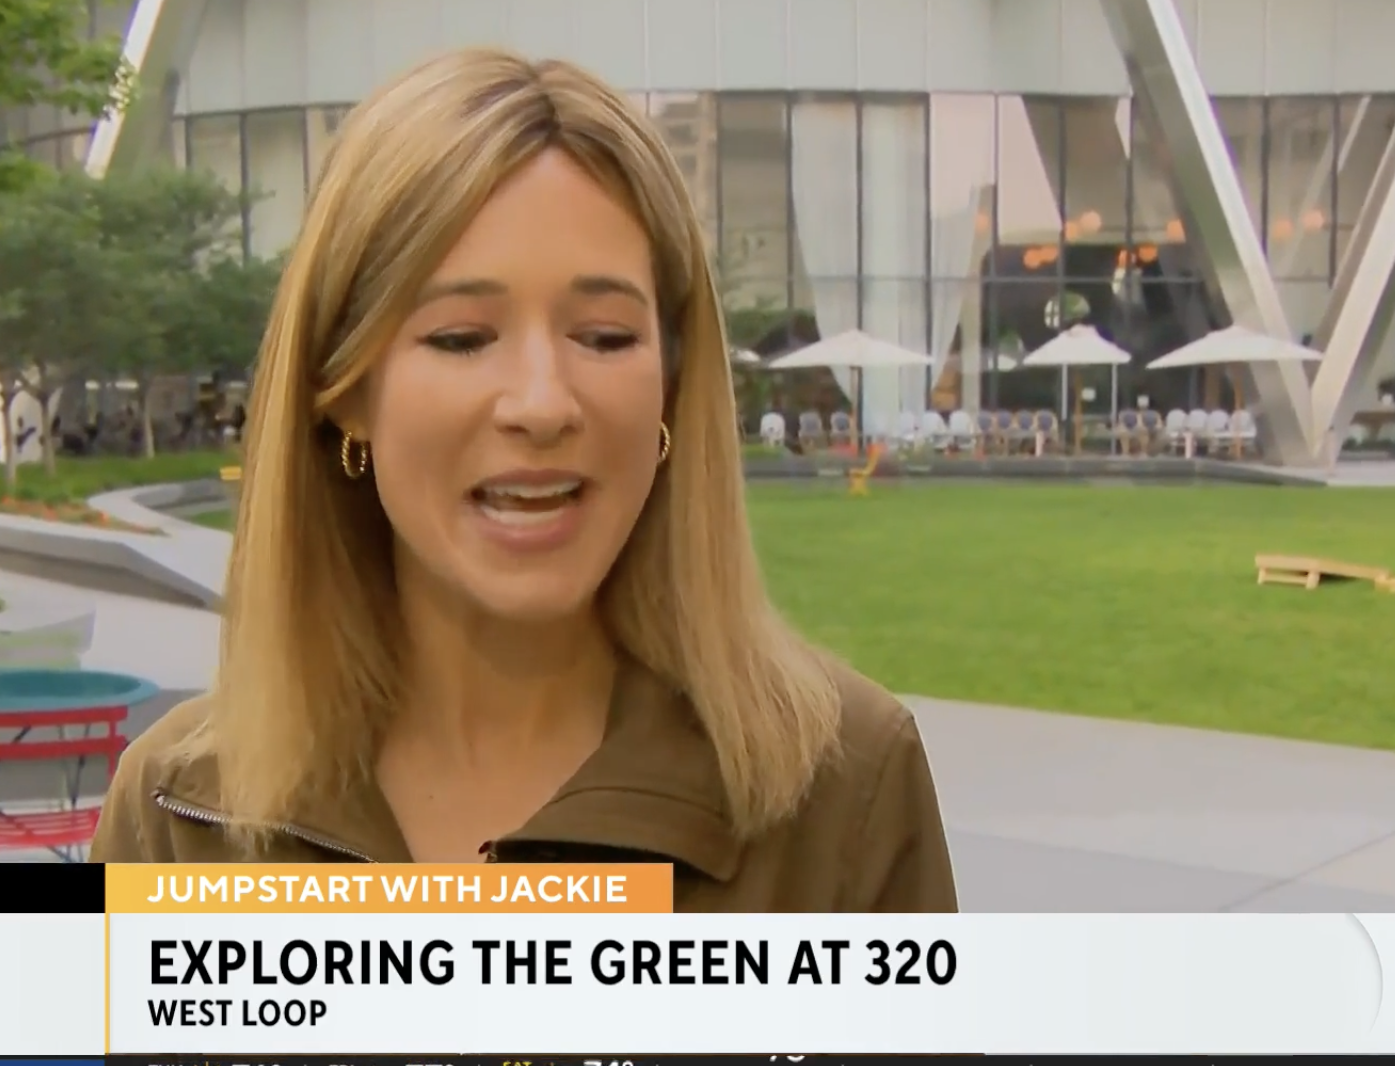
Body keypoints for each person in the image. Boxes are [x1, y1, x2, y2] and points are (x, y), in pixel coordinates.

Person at [92, 48, 957, 912]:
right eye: (462, 337)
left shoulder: (846, 789)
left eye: (605, 336)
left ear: (671, 384)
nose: (542, 404)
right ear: (346, 390)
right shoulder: (175, 813)